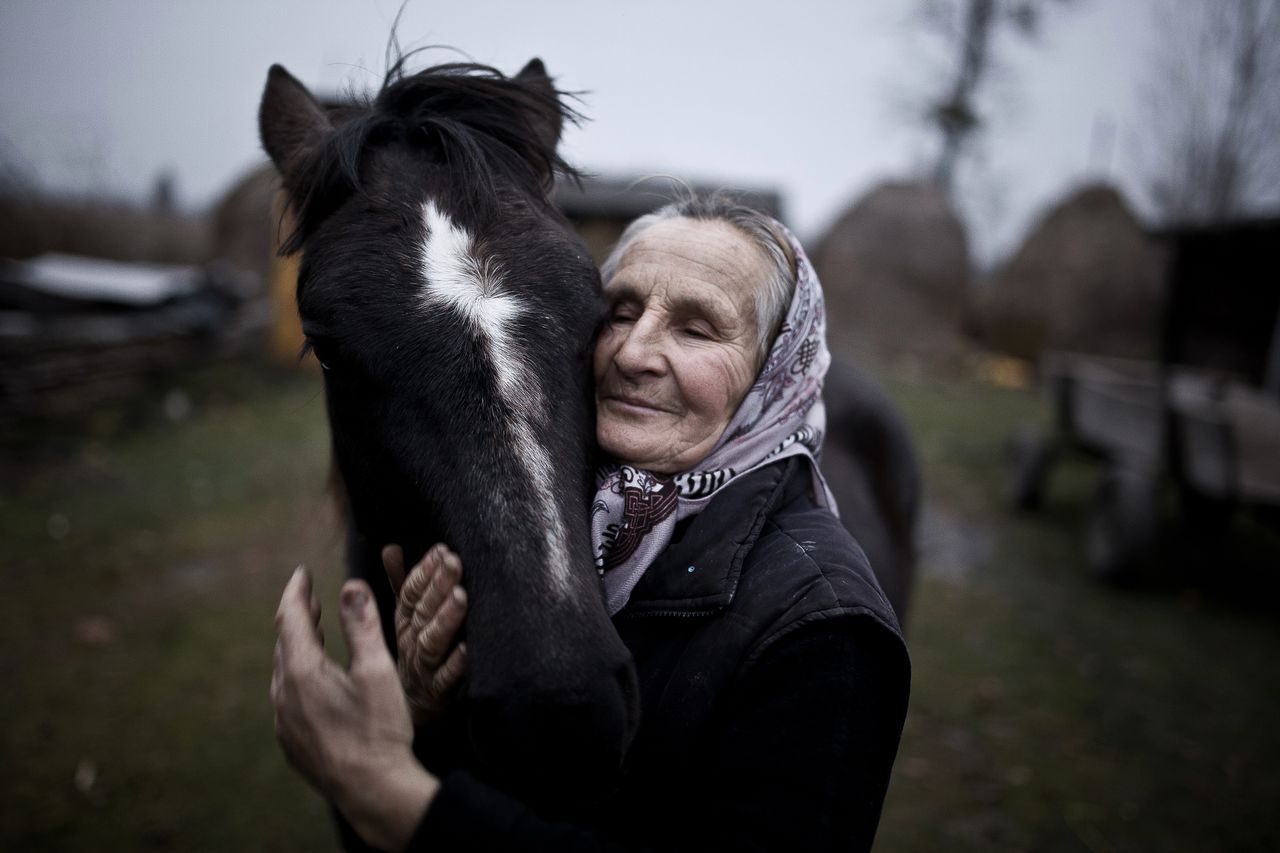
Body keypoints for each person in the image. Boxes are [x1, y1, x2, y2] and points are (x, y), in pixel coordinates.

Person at [272, 195, 911, 851]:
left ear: (778, 373)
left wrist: (397, 801)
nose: (634, 352)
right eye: (621, 311)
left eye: (696, 329)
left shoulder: (827, 630)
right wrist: (429, 718)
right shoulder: (540, 523)